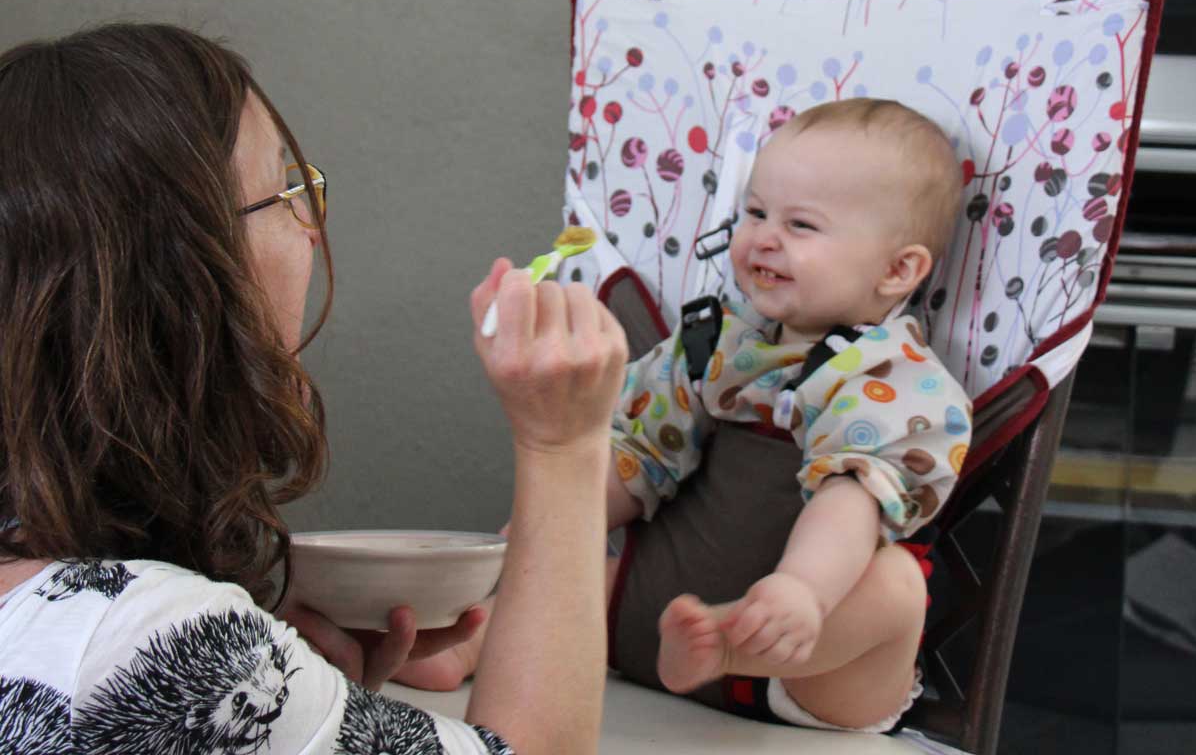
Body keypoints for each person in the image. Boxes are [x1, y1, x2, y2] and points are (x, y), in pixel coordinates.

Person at [0, 23, 627, 755]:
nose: (313, 227)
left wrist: (296, 691)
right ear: (178, 276)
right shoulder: (154, 644)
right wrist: (564, 444)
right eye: (286, 193)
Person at [396, 98, 972, 734]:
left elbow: (853, 499)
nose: (764, 237)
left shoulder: (893, 379)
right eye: (755, 212)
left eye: (801, 226)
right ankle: (469, 645)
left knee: (896, 587)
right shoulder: (712, 346)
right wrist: (539, 531)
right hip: (657, 615)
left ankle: (732, 641)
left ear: (899, 269)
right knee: (571, 572)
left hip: (806, 668)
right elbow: (637, 452)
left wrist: (802, 590)